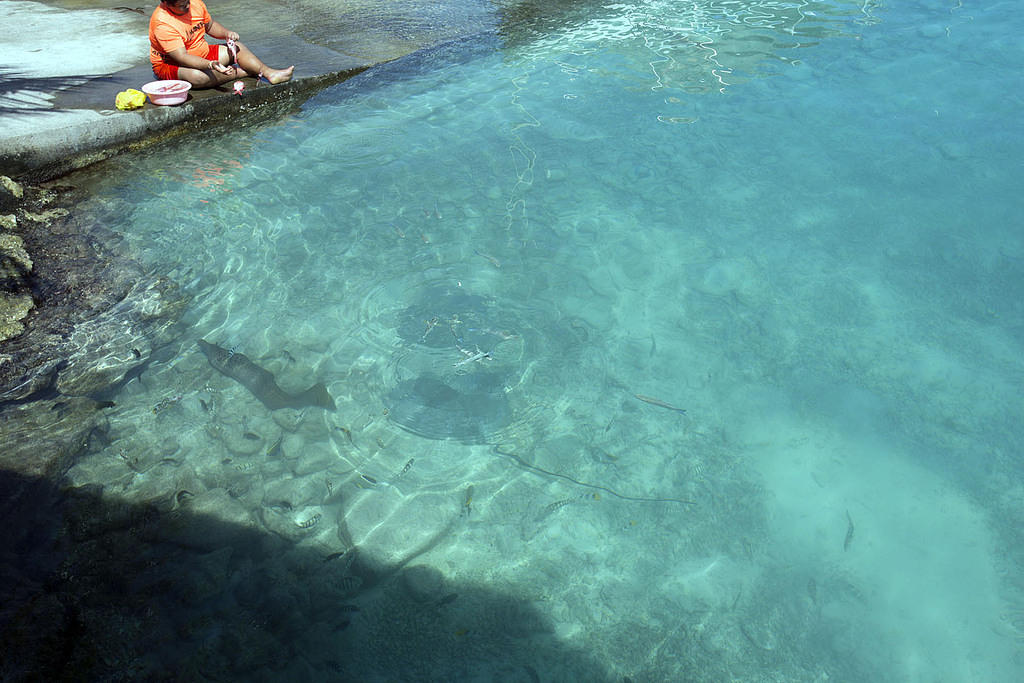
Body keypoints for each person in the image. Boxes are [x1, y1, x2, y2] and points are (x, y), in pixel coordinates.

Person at [149, 0, 294, 88]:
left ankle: (269, 73)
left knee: (237, 48)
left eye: (188, 1)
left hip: (201, 52)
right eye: (182, 5)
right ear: (166, 3)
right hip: (171, 64)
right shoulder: (163, 24)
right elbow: (182, 57)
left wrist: (226, 33)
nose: (188, 6)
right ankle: (243, 72)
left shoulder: (194, 3)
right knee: (198, 77)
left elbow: (210, 26)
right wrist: (210, 64)